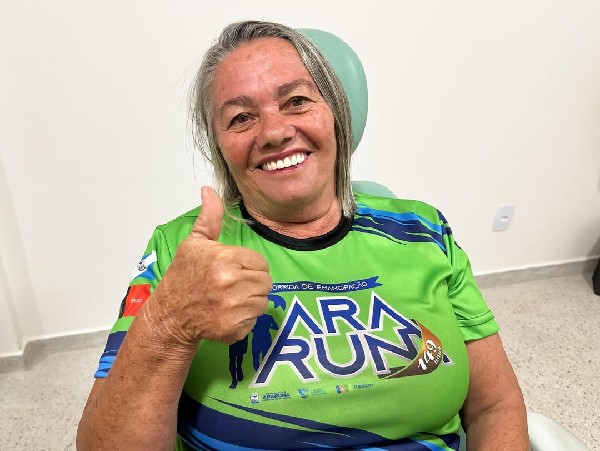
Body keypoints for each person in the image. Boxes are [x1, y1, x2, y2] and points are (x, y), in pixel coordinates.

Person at [76, 20, 528, 450]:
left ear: (335, 114)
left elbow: (495, 407)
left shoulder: (423, 231)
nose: (274, 132)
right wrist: (170, 324)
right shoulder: (181, 252)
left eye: (296, 101)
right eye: (241, 118)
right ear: (219, 147)